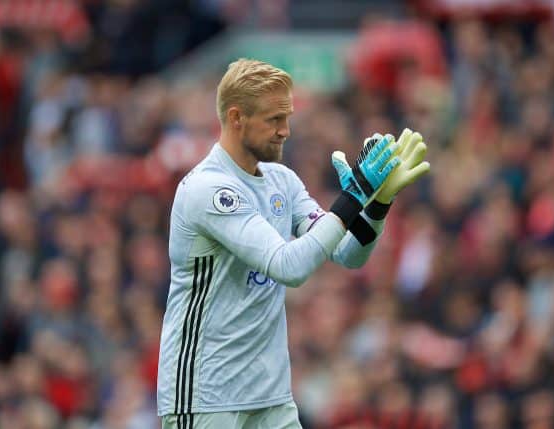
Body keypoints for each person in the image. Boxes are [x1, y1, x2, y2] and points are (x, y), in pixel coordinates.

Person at [157, 58, 430, 429]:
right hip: (207, 394)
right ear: (236, 118)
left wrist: (377, 203)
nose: (286, 131)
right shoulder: (209, 190)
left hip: (269, 394)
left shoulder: (281, 181)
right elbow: (290, 266)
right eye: (274, 119)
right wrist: (355, 197)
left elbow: (348, 253)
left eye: (287, 118)